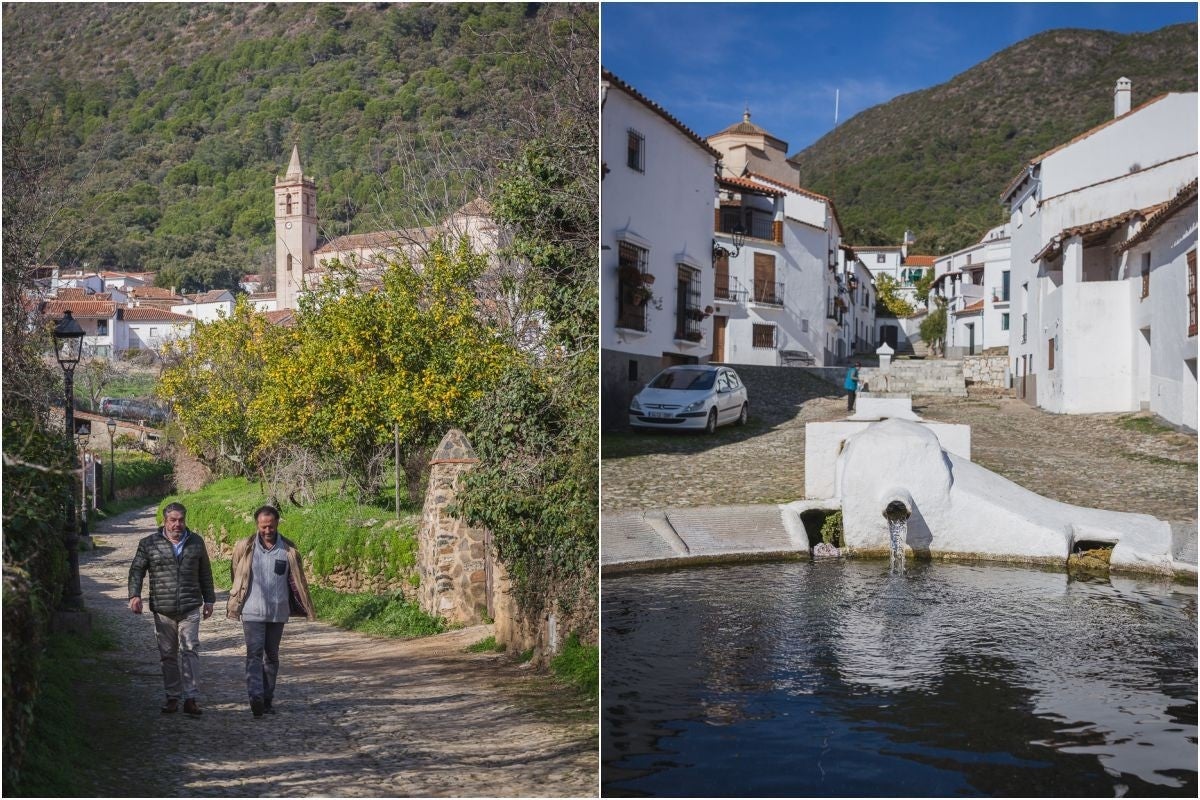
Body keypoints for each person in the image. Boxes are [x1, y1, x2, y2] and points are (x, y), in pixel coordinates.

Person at [227, 504, 316, 718]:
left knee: (272, 657)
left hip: (277, 613)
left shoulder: (289, 551)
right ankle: (255, 697)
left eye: (271, 526)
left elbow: (296, 581)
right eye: (263, 526)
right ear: (257, 525)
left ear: (277, 524)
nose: (267, 530)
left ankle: (267, 698)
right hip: (251, 612)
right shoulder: (245, 547)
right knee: (254, 654)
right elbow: (236, 573)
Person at [127, 502, 215, 716]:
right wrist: (134, 595)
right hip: (163, 608)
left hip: (190, 605)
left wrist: (209, 600)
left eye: (181, 520)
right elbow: (137, 570)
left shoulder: (196, 542)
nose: (177, 524)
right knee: (167, 655)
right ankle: (172, 697)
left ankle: (191, 697)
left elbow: (205, 572)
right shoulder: (149, 544)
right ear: (164, 521)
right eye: (173, 520)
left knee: (190, 650)